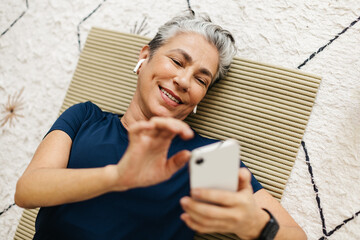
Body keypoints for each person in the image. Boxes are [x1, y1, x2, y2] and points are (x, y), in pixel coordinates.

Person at [15, 11, 306, 240]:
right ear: (144, 57)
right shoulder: (85, 117)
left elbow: (295, 236)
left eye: (201, 79)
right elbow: (27, 191)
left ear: (199, 99)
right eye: (178, 61)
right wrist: (116, 177)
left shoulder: (205, 157)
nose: (183, 81)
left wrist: (255, 225)